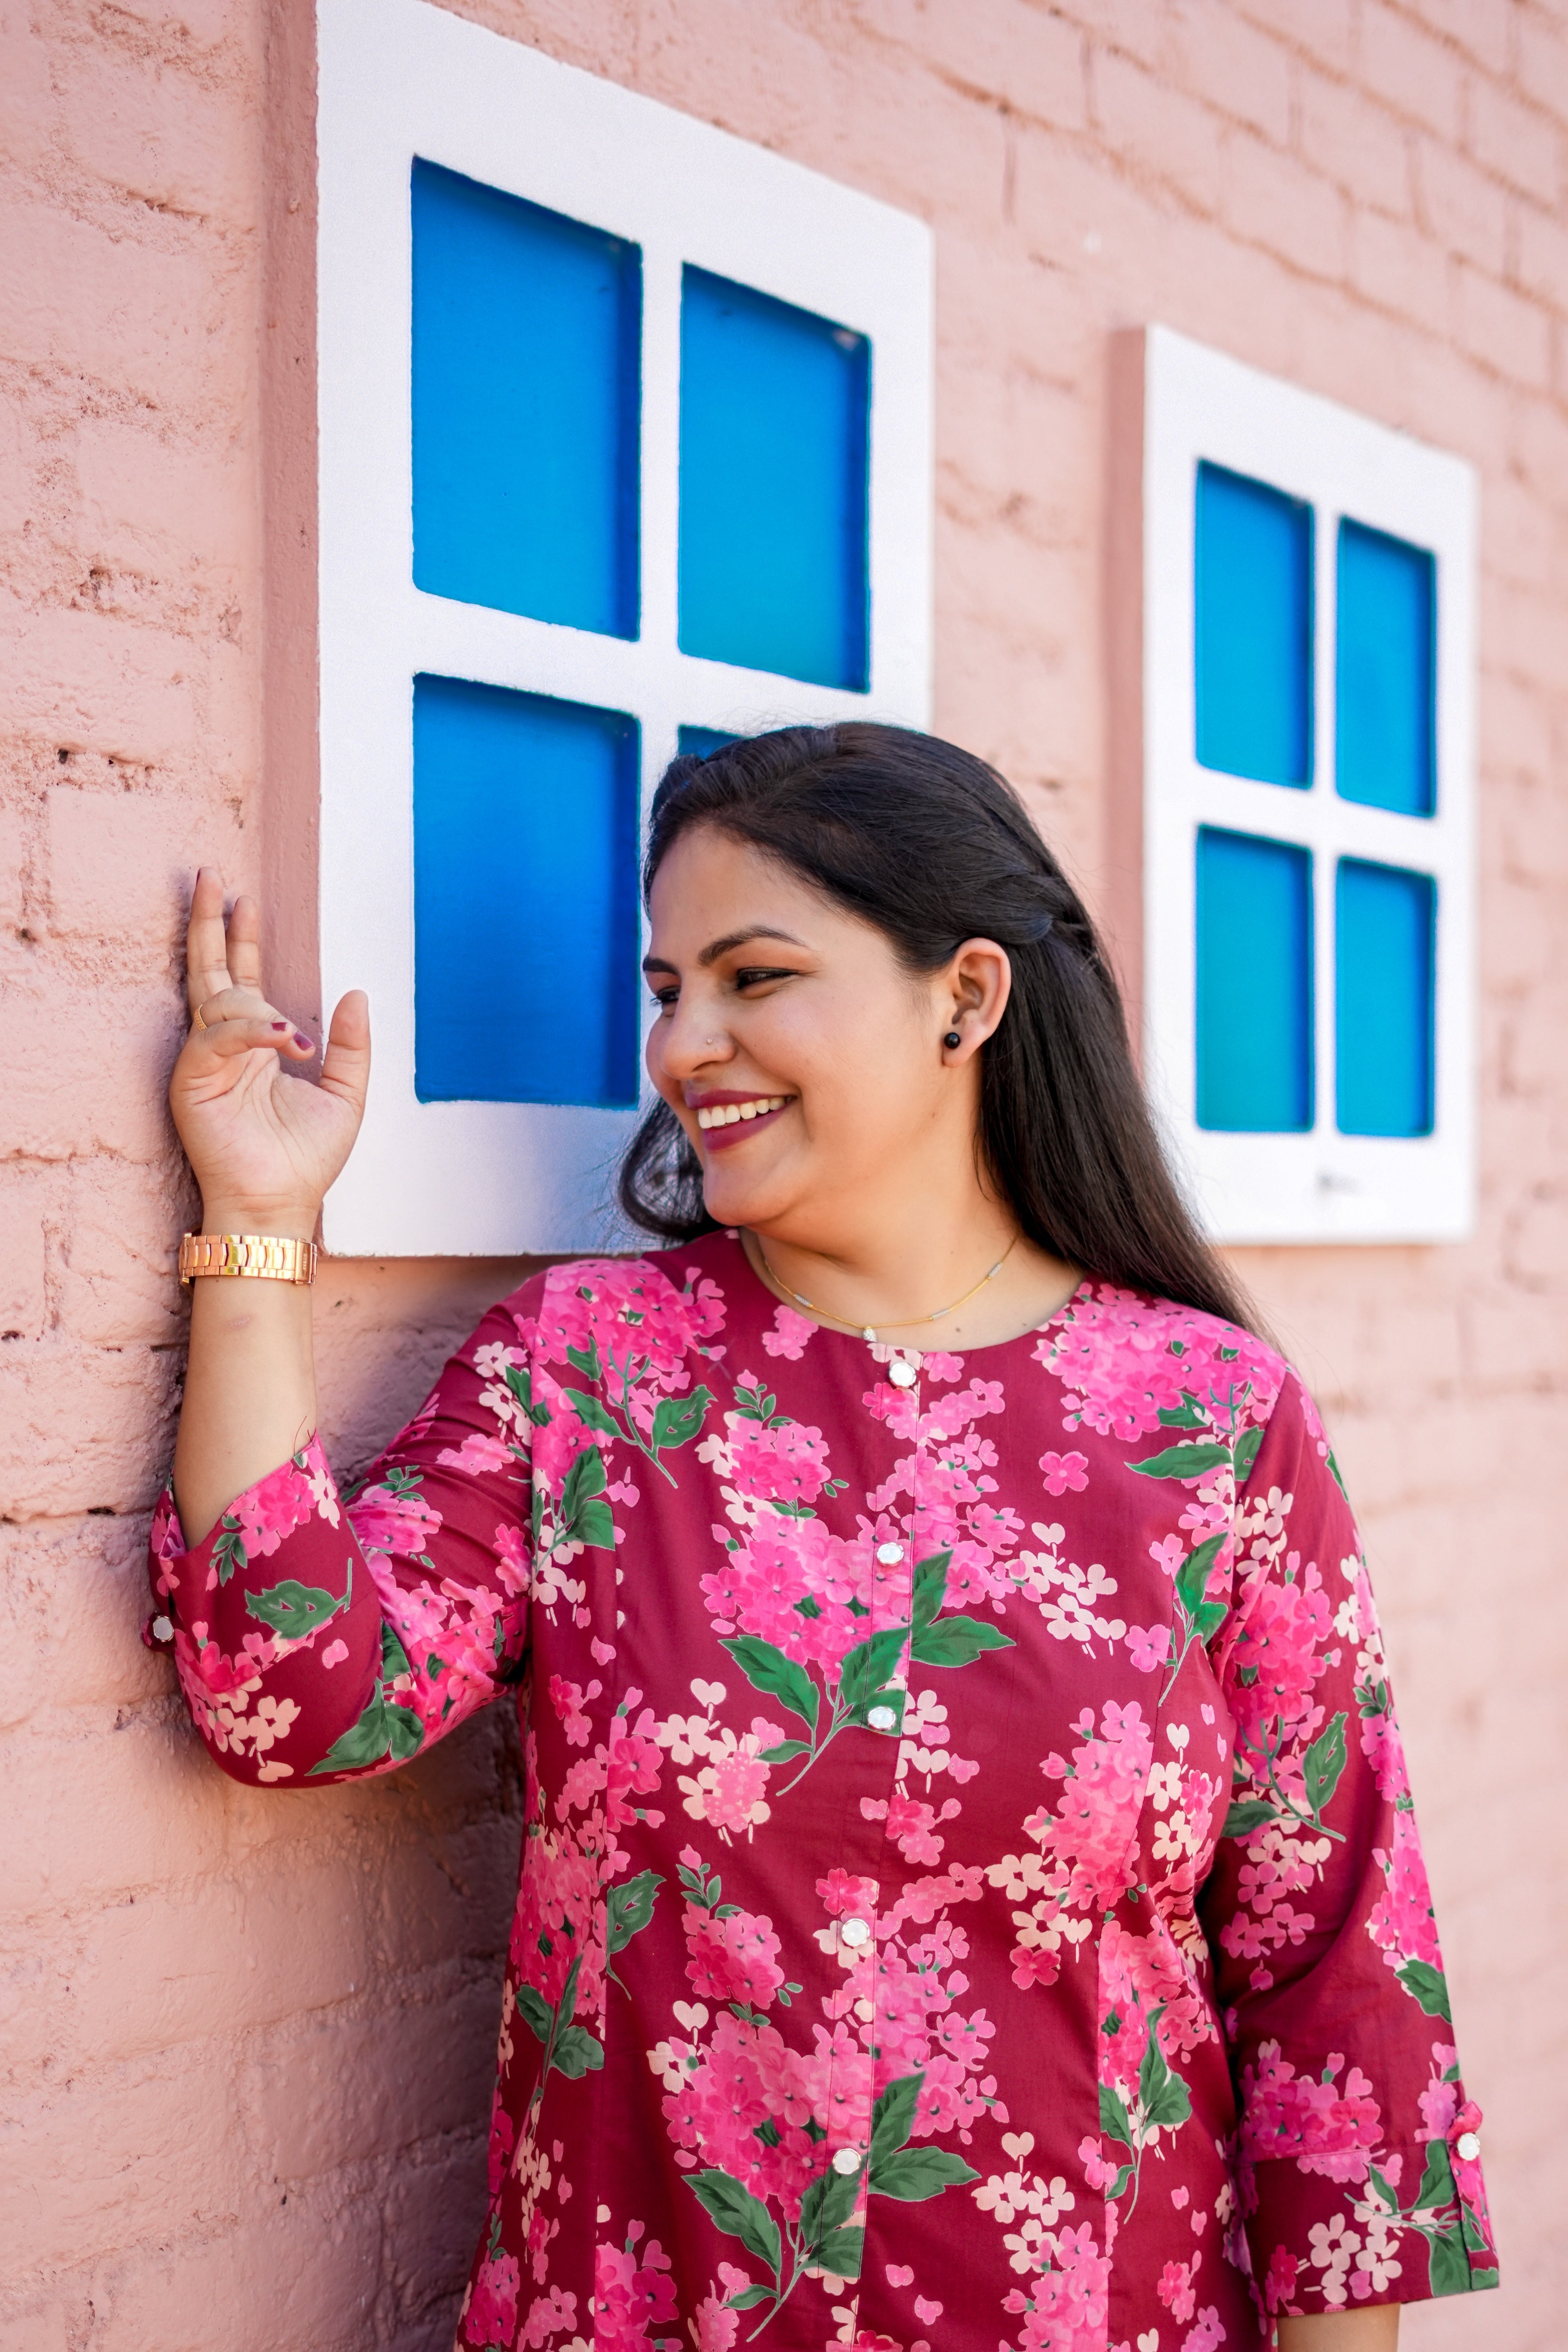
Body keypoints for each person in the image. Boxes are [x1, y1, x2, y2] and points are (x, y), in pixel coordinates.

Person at [150, 723, 1496, 2351]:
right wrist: (256, 1226)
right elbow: (288, 1697)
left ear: (968, 998)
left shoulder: (1212, 1421)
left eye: (754, 975)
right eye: (666, 990)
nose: (683, 1044)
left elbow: (1334, 1966)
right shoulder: (588, 1372)